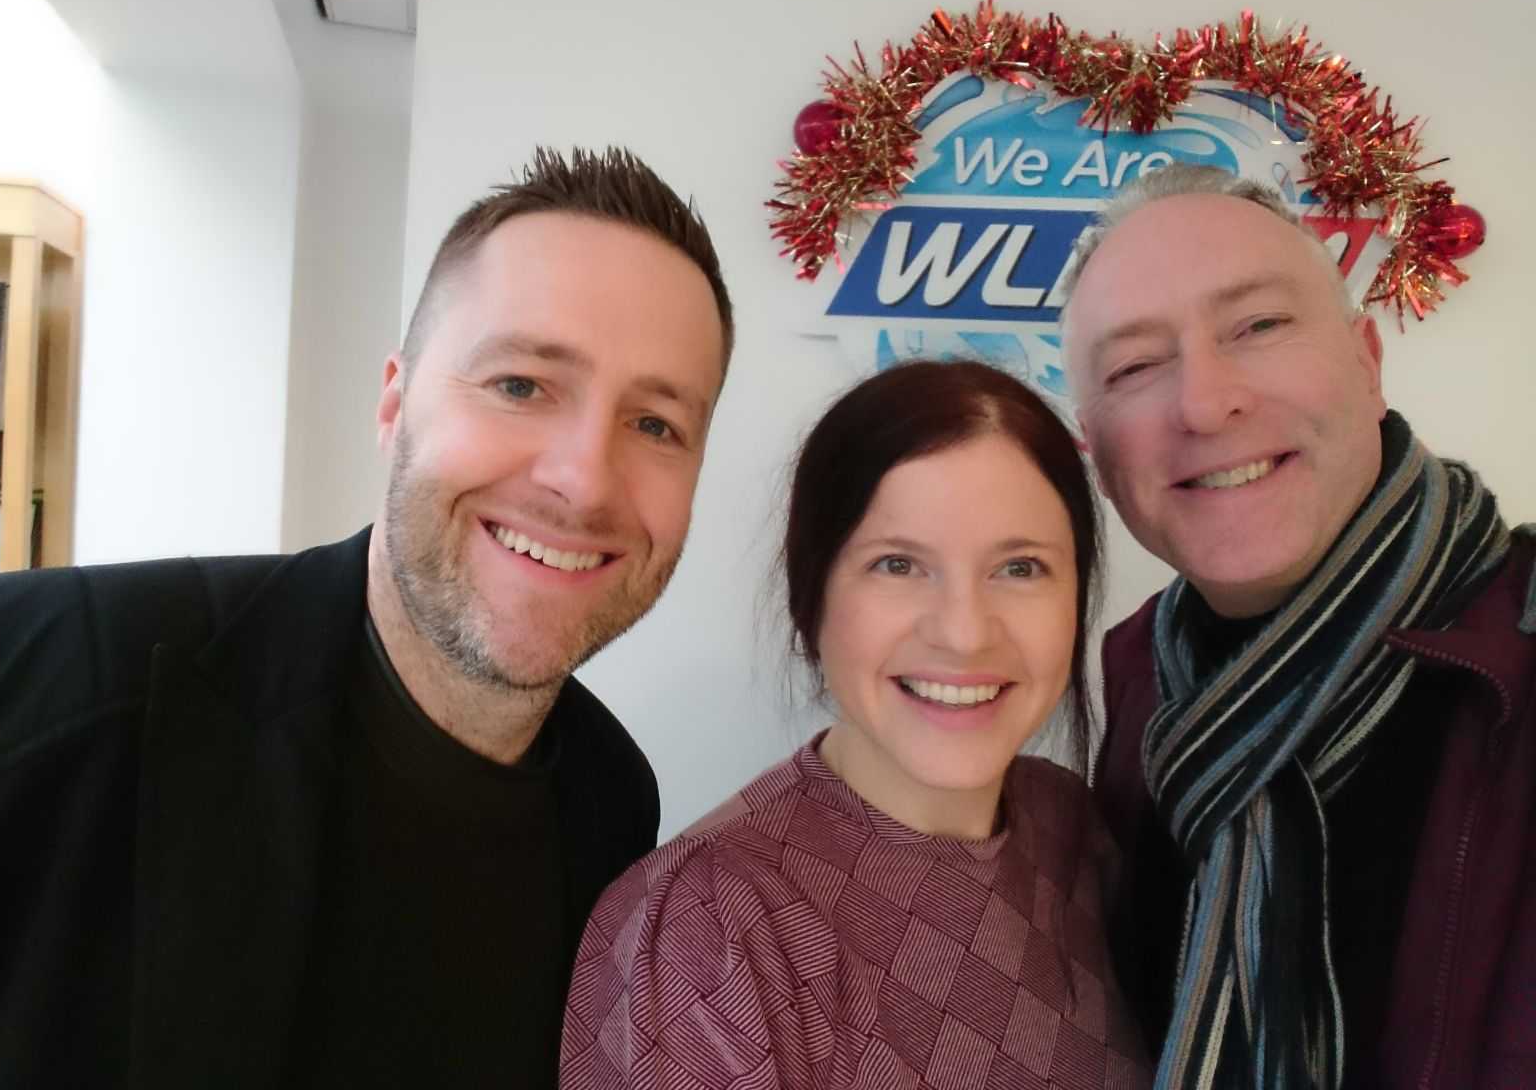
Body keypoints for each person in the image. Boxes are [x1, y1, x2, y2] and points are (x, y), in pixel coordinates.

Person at [0, 147, 735, 1089]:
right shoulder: (2, 685)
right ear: (394, 403)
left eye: (655, 425)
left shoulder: (615, 802)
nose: (585, 480)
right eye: (521, 385)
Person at [1062, 162, 1536, 1089]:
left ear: (1368, 361)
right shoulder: (1141, 672)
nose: (1206, 403)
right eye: (1134, 367)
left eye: (1259, 326)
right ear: (1097, 450)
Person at [560, 359, 1152, 1090]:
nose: (965, 633)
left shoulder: (1070, 826)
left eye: (1021, 568)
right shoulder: (707, 924)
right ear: (811, 599)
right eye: (898, 565)